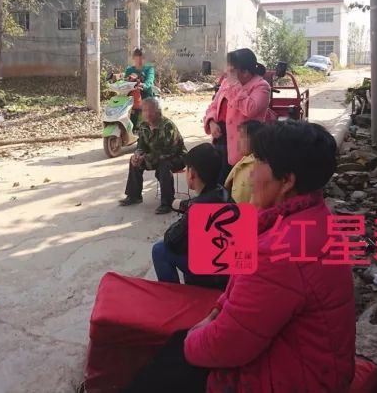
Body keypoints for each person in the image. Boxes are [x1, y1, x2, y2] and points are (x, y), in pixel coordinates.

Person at [123, 121, 356, 393]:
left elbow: (227, 345)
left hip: (298, 378)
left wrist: (195, 336)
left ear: (286, 181)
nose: (252, 173)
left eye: (260, 163)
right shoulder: (311, 215)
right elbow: (242, 293)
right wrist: (216, 311)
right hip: (316, 361)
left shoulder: (279, 251)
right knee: (178, 345)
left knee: (173, 360)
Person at [152, 143, 232, 289]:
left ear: (192, 174)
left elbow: (172, 240)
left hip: (213, 276)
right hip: (228, 268)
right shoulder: (223, 192)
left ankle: (173, 295)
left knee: (160, 249)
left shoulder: (198, 209)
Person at [204, 48, 271, 185]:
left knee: (236, 186)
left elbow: (250, 109)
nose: (227, 72)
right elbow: (214, 106)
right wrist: (211, 122)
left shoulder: (261, 86)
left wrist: (235, 85)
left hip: (242, 146)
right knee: (217, 184)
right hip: (221, 141)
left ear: (245, 72)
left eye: (231, 70)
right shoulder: (226, 83)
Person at [120, 97, 186, 215]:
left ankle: (167, 203)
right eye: (144, 110)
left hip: (176, 157)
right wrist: (138, 155)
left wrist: (146, 158)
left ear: (158, 111)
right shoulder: (143, 125)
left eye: (150, 110)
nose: (147, 113)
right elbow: (141, 145)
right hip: (155, 157)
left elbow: (169, 151)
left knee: (164, 165)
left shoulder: (167, 126)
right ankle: (134, 196)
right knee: (134, 161)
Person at [224, 120, 263, 204]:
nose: (238, 141)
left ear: (254, 139)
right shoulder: (243, 161)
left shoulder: (259, 167)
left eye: (242, 137)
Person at [124, 48, 155, 129]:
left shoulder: (149, 69)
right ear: (133, 58)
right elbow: (124, 81)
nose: (139, 62)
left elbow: (150, 80)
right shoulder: (129, 69)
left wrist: (144, 85)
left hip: (145, 95)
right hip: (132, 96)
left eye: (142, 59)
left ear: (144, 59)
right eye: (137, 59)